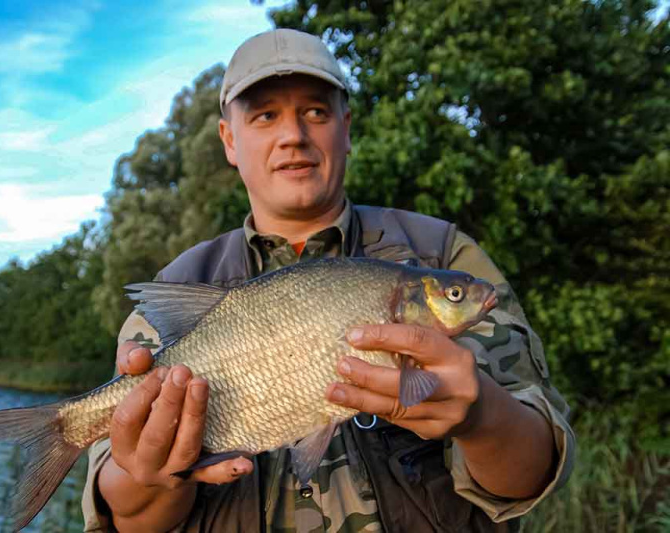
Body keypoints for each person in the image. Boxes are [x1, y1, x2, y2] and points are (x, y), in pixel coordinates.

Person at [81, 29, 574, 532]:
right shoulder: (181, 283)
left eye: (316, 111)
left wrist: (482, 417)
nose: (293, 135)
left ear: (347, 127)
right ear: (229, 140)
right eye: (265, 115)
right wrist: (151, 476)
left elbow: (532, 472)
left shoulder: (440, 252)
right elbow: (130, 516)